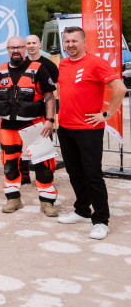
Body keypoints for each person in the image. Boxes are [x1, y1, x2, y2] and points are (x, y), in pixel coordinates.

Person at [55, 27, 125, 240]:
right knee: (74, 173)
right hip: (65, 128)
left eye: (74, 41)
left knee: (93, 175)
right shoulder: (63, 64)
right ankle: (82, 211)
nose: (70, 45)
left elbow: (120, 88)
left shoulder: (95, 62)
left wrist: (106, 114)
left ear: (84, 42)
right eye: (67, 41)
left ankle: (101, 220)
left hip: (88, 130)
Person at [0, 36, 58, 217]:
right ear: (7, 49)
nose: (15, 50)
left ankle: (47, 202)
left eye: (19, 47)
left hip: (35, 125)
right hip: (7, 126)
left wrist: (50, 120)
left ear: (25, 48)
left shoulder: (39, 69)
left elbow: (50, 95)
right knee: (10, 164)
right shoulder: (0, 70)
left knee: (43, 163)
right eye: (12, 47)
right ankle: (13, 198)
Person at [24, 34, 60, 185]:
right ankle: (24, 176)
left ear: (39, 45)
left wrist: (53, 114)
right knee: (24, 144)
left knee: (44, 144)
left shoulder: (49, 65)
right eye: (28, 43)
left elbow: (55, 90)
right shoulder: (20, 63)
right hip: (24, 111)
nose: (31, 45)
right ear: (25, 46)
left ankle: (46, 176)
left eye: (34, 43)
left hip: (43, 112)